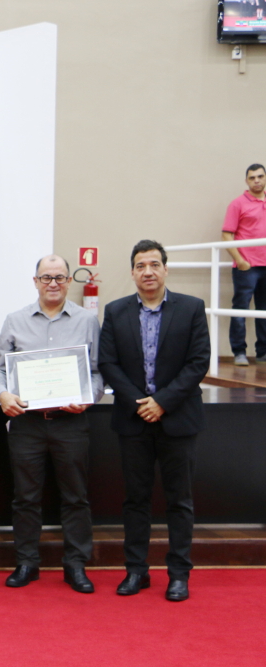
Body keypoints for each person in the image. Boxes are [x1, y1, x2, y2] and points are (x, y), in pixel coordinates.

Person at [99, 240, 210, 602]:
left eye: (154, 264)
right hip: (133, 420)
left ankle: (179, 575)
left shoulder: (192, 308)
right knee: (135, 500)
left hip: (178, 418)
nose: (147, 271)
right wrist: (140, 403)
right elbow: (109, 364)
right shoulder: (115, 312)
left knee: (180, 500)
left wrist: (161, 402)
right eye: (140, 265)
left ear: (165, 269)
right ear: (132, 272)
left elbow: (198, 362)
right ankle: (136, 571)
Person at [0, 255, 104, 593]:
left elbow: (96, 371)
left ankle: (76, 565)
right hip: (27, 422)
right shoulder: (15, 320)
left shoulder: (86, 320)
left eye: (59, 277)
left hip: (71, 421)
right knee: (25, 496)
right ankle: (26, 562)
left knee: (76, 496)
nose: (53, 283)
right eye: (46, 277)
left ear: (69, 281)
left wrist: (89, 396)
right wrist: (3, 395)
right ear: (35, 281)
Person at [221, 163, 266, 366]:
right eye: (252, 177)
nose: (256, 180)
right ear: (246, 181)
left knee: (264, 310)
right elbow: (226, 234)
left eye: (260, 176)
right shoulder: (237, 204)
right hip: (247, 266)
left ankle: (263, 352)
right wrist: (239, 260)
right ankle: (239, 352)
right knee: (240, 309)